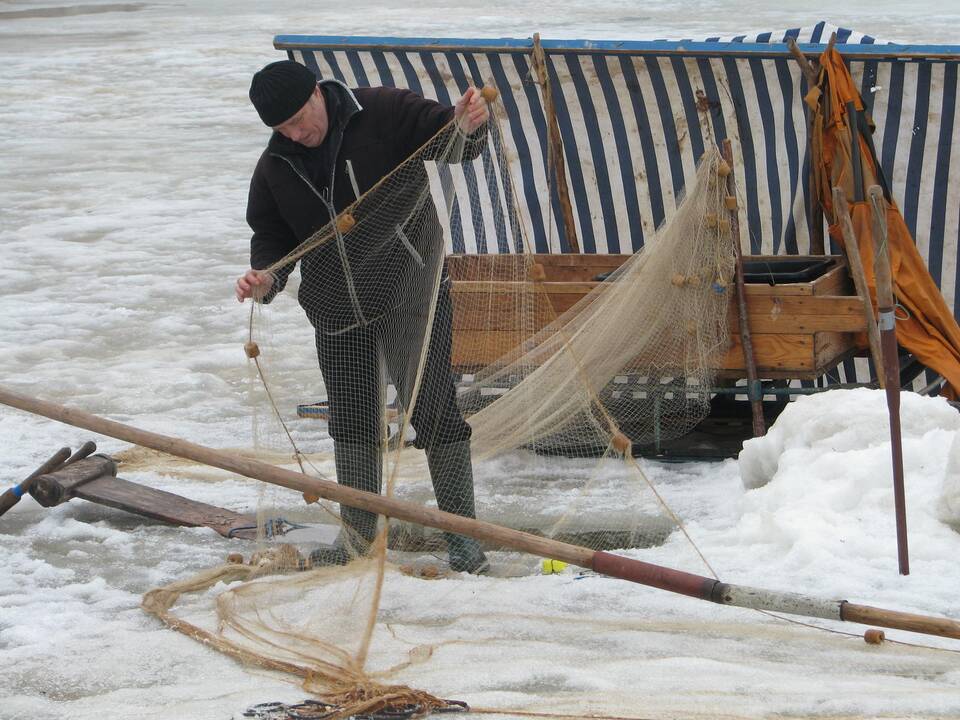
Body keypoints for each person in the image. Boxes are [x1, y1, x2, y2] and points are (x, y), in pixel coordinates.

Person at [236, 60, 490, 573]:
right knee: (352, 418)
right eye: (281, 128)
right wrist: (265, 277)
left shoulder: (385, 110)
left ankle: (464, 539)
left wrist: (469, 122)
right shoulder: (276, 165)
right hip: (336, 306)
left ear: (317, 93)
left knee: (434, 409)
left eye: (299, 119)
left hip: (410, 289)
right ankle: (357, 538)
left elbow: (451, 141)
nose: (296, 133)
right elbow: (272, 235)